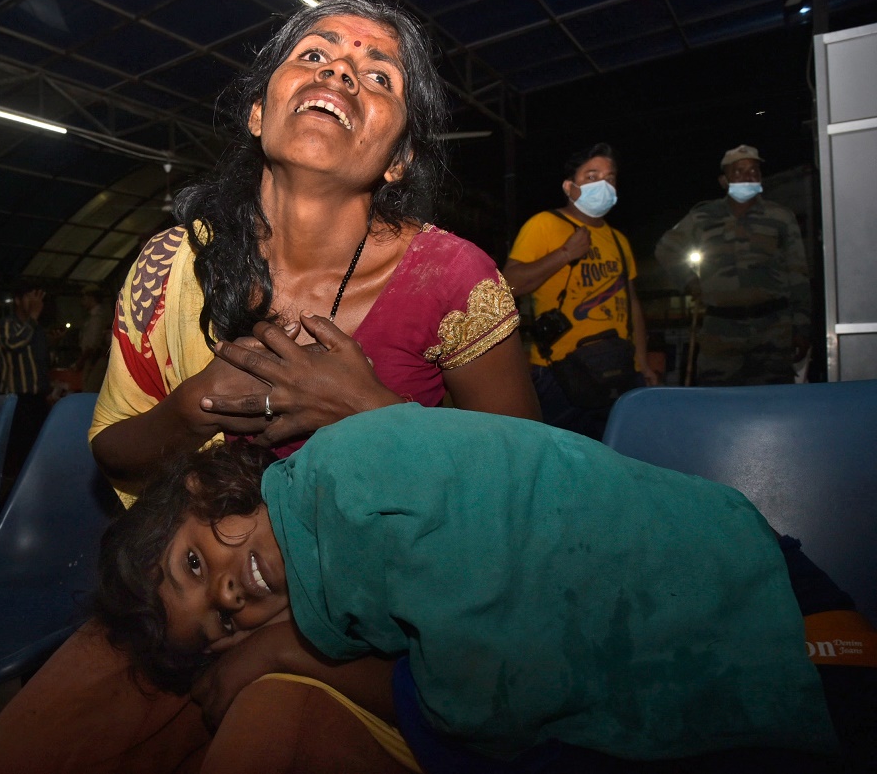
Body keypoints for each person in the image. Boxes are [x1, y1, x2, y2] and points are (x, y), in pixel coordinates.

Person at [0, 0, 539, 774]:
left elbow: (530, 509)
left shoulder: (455, 281)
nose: (339, 68)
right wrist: (189, 405)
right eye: (313, 53)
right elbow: (115, 454)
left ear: (399, 157)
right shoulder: (169, 268)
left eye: (379, 75)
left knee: (271, 731)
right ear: (255, 114)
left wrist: (370, 412)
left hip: (370, 637)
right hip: (184, 605)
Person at [96, 404, 841, 771]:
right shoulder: (335, 567)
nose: (224, 596)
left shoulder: (343, 482)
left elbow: (479, 703)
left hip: (766, 603)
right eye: (221, 628)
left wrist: (278, 653)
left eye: (193, 564)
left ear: (206, 489)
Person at [505, 143, 658, 441]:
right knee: (563, 461)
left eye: (610, 178)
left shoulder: (618, 239)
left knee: (619, 456)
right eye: (591, 176)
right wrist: (565, 253)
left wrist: (642, 362)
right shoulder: (544, 225)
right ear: (570, 187)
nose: (603, 184)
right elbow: (510, 283)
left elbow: (632, 304)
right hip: (560, 371)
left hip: (619, 366)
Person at [655, 145, 811, 385]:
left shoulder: (780, 217)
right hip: (720, 330)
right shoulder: (703, 217)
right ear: (724, 180)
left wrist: (801, 328)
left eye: (753, 171)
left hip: (773, 328)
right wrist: (689, 282)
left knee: (773, 401)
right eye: (738, 172)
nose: (747, 177)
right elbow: (666, 248)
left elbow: (798, 274)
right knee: (718, 400)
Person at [0, 282, 53, 479]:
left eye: (38, 298)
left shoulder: (37, 328)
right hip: (16, 398)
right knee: (18, 451)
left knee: (39, 446)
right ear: (18, 300)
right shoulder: (4, 325)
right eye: (30, 297)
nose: (36, 302)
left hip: (37, 398)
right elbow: (14, 344)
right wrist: (34, 317)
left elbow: (42, 359)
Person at [76, 284, 112, 393]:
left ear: (91, 298)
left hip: (94, 360)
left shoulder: (98, 318)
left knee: (90, 389)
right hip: (93, 359)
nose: (82, 302)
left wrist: (81, 361)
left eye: (84, 298)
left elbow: (92, 344)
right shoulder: (97, 316)